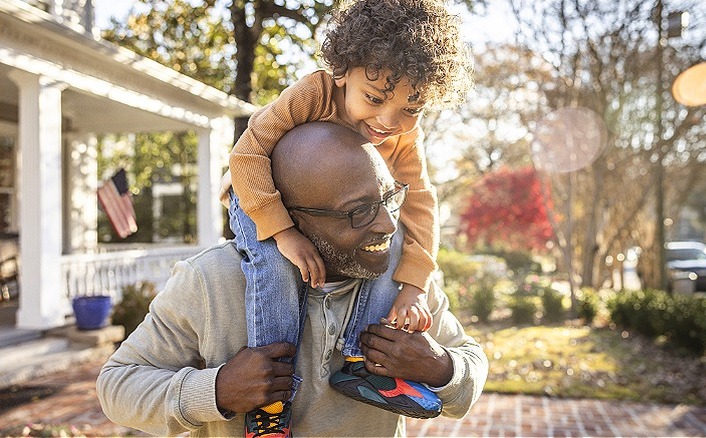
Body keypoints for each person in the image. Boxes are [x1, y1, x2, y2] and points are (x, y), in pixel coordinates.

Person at [97, 122, 487, 437]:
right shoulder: (211, 281)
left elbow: (470, 370)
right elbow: (117, 387)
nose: (388, 224)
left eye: (388, 199)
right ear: (293, 220)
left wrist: (439, 366)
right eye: (360, 211)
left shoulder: (405, 278)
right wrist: (215, 391)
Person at [223, 0, 473, 430]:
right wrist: (283, 232)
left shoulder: (404, 137)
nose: (389, 120)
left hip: (344, 219)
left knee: (389, 241)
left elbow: (420, 204)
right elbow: (247, 153)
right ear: (343, 72)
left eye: (411, 108)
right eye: (374, 98)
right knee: (278, 272)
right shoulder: (313, 93)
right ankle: (268, 404)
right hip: (261, 198)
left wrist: (415, 285)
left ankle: (362, 362)